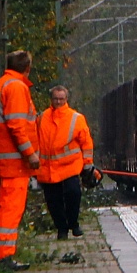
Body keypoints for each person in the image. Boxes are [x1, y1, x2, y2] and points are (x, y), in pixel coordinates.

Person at [0, 50, 39, 270]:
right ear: (27, 68)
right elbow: (17, 126)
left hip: (0, 159)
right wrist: (30, 154)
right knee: (11, 208)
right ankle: (4, 256)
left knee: (3, 206)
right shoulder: (16, 88)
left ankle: (0, 251)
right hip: (14, 163)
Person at [35, 85, 95, 241]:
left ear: (66, 99)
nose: (58, 101)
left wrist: (87, 164)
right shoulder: (42, 118)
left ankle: (74, 224)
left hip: (70, 166)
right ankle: (62, 229)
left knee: (73, 193)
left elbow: (86, 143)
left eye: (61, 99)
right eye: (55, 99)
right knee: (53, 201)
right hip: (48, 169)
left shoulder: (76, 118)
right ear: (51, 99)